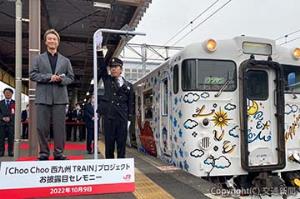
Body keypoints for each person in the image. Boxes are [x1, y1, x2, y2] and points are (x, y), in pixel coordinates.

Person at [29, 29, 74, 160]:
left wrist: (61, 80)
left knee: (60, 128)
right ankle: (43, 153)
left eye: (54, 39)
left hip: (60, 98)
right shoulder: (38, 59)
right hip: (43, 98)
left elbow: (71, 77)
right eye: (49, 39)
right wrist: (49, 77)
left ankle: (59, 153)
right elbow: (32, 74)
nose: (52, 41)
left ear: (58, 42)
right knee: (42, 127)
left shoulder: (65, 61)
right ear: (45, 41)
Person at [98, 50, 135, 159]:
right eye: (111, 67)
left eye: (116, 67)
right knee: (109, 145)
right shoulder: (108, 80)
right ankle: (110, 168)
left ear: (121, 69)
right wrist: (99, 53)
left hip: (122, 119)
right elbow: (101, 68)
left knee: (121, 145)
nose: (113, 69)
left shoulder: (129, 85)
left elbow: (130, 103)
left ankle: (120, 168)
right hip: (109, 118)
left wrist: (129, 119)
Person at [0, 88, 15, 157]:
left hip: (11, 124)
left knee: (11, 139)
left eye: (9, 92)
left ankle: (10, 152)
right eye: (6, 92)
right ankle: (1, 152)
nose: (8, 94)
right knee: (1, 138)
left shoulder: (15, 103)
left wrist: (10, 118)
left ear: (12, 94)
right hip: (1, 124)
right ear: (4, 93)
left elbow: (16, 113)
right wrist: (2, 118)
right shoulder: (1, 102)